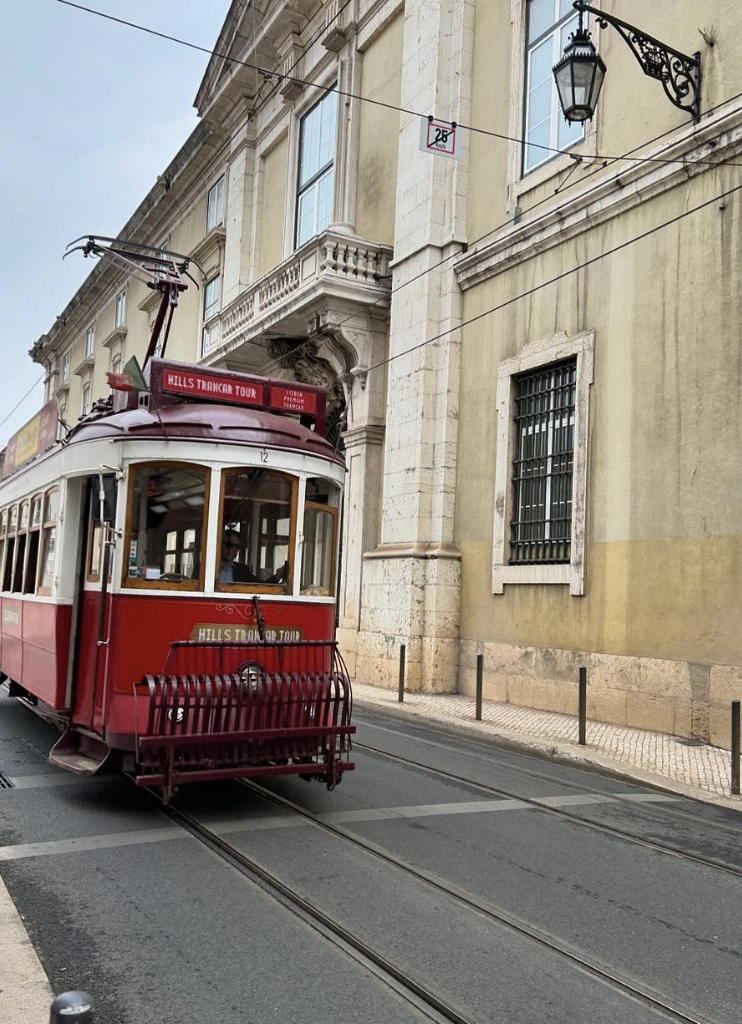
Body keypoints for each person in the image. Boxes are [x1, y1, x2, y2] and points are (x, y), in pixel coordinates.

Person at [219, 529, 288, 585]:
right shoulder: (210, 568)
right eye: (230, 545)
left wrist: (277, 576)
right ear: (220, 545)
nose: (234, 549)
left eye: (237, 547)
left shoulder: (242, 571)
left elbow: (262, 587)